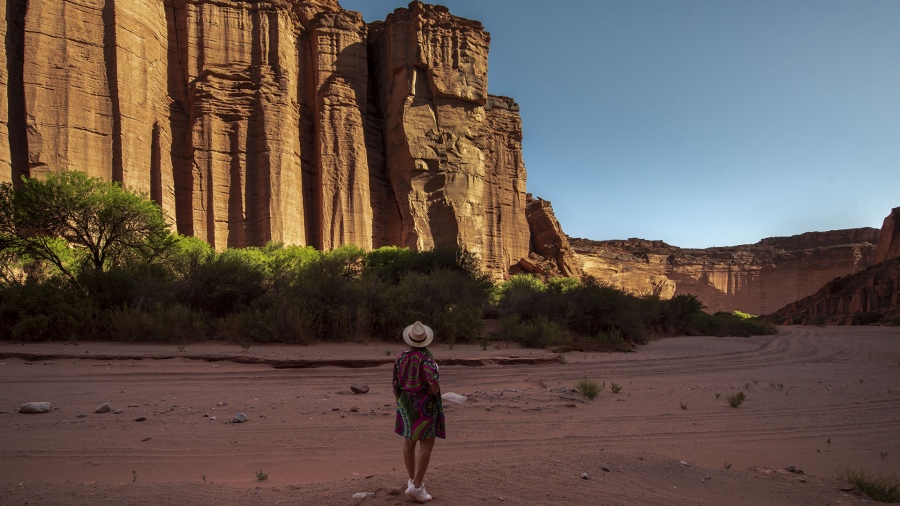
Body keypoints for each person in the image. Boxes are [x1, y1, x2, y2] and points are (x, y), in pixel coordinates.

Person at [393, 321, 445, 503]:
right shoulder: (427, 358)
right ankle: (416, 485)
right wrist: (435, 390)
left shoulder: (400, 357)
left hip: (406, 402)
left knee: (409, 441)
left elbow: (395, 384)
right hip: (425, 405)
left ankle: (412, 480)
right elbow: (433, 381)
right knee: (426, 444)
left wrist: (400, 402)